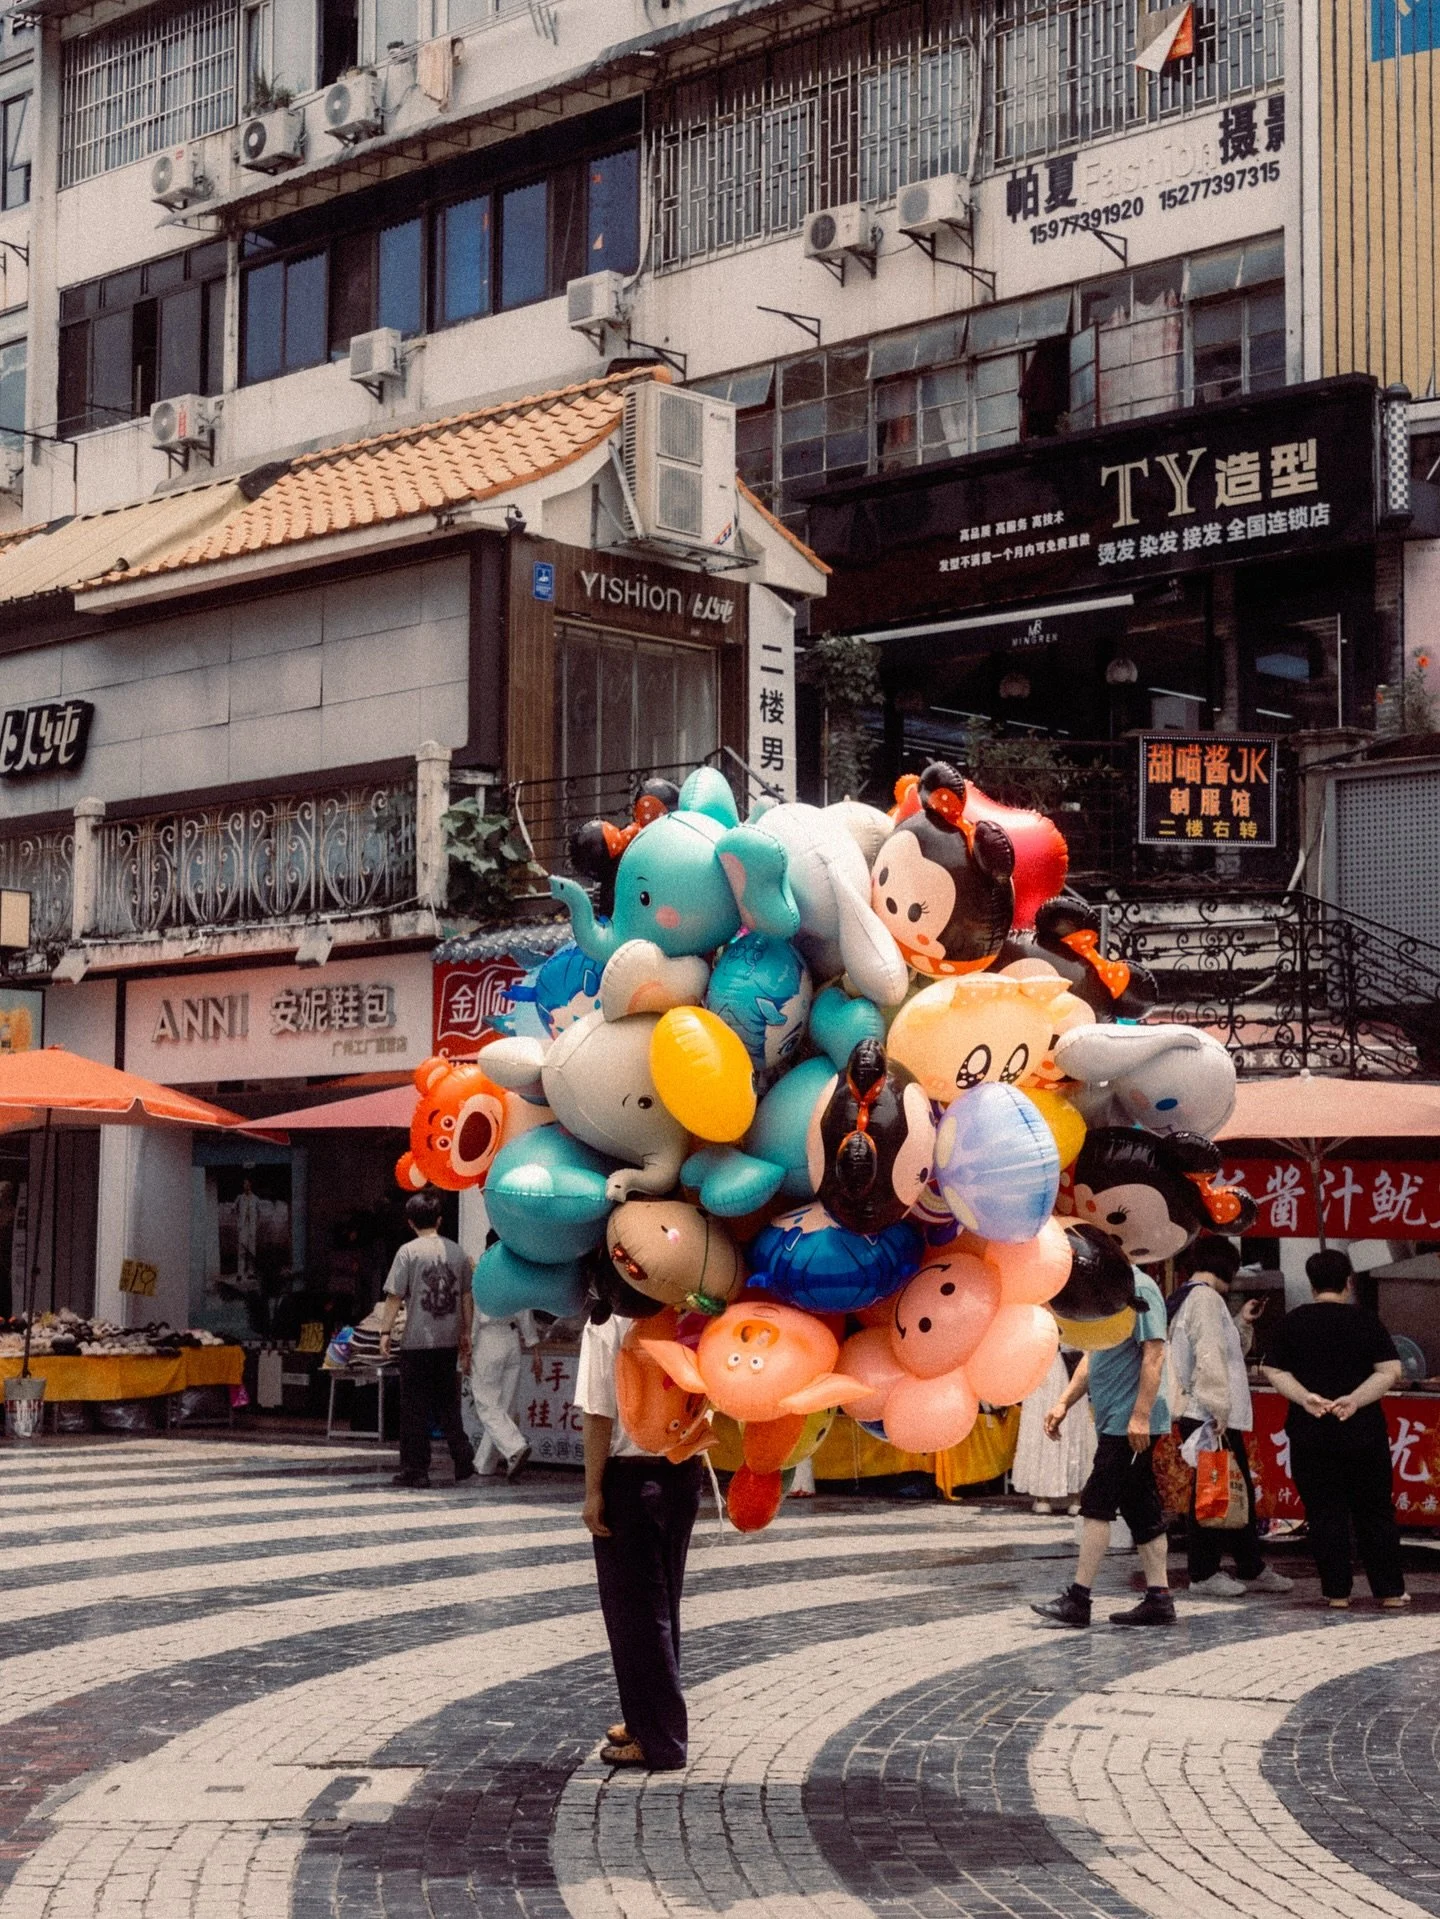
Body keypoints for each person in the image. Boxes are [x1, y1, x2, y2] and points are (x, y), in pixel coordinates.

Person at [575, 1308, 704, 1770]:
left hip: (629, 1479)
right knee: (662, 1606)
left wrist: (592, 1491)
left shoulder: (606, 1321)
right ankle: (646, 1719)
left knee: (635, 1616)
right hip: (681, 1474)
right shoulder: (685, 1307)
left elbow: (597, 1410)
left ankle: (661, 1740)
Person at [1262, 1249, 1407, 1610]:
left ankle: (1337, 1593)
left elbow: (1272, 1370)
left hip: (1311, 1432)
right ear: (1348, 1281)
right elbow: (1390, 1370)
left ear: (1312, 1284)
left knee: (1324, 1512)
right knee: (1374, 1510)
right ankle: (1389, 1591)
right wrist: (1355, 1399)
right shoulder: (1365, 1321)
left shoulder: (1292, 1322)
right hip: (1363, 1432)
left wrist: (1306, 1398)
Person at [1032, 1266, 1175, 1628]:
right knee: (1141, 1508)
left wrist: (1140, 1415)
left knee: (1097, 1503)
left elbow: (1154, 1353)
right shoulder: (1105, 1289)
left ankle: (1079, 1599)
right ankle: (1159, 1598)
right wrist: (1064, 1401)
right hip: (1115, 1420)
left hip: (1129, 1424)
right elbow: (1093, 1356)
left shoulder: (1139, 1288)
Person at [1167, 1235, 1293, 1599]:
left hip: (1205, 1411)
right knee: (1213, 1493)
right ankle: (1205, 1572)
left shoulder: (1192, 1297)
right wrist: (1218, 1408)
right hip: (1208, 1414)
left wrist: (1240, 1321)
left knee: (1232, 1490)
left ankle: (1249, 1565)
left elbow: (1218, 1349)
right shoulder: (1205, 1299)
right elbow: (1208, 1356)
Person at [377, 1191, 476, 1490]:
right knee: (447, 1403)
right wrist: (465, 1332)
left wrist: (385, 1331)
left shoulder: (407, 1252)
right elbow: (467, 1297)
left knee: (414, 1408)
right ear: (440, 1220)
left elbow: (394, 1295)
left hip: (417, 1342)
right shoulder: (457, 1253)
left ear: (410, 1222)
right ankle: (462, 1458)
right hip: (447, 1341)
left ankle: (416, 1469)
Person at [1012, 1349, 1095, 1514]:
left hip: (1062, 1364)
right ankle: (1066, 1496)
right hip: (1055, 1363)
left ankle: (1062, 1496)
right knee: (1059, 1423)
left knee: (1070, 1423)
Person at [465, 1307, 533, 1480]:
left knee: (488, 1406)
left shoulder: (482, 1280)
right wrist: (534, 1345)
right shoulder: (518, 1280)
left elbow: (474, 1315)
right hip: (512, 1339)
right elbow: (525, 1313)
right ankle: (484, 1464)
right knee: (505, 1406)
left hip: (487, 1339)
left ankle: (515, 1447)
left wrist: (468, 1347)